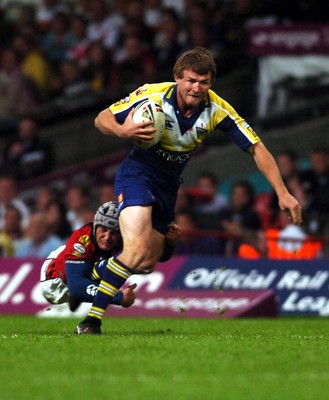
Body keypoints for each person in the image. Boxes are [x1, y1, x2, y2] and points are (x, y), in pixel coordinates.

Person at [79, 46, 301, 334]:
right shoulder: (152, 93)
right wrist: (122, 131)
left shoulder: (218, 110)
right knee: (135, 250)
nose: (197, 88)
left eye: (204, 82)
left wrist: (282, 193)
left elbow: (257, 149)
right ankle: (90, 322)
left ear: (211, 83)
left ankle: (92, 272)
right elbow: (102, 118)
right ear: (177, 78)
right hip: (137, 174)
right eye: (191, 81)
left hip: (169, 186)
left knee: (147, 262)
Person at [40, 201, 180, 325]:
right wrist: (119, 298)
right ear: (96, 227)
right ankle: (83, 291)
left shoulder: (126, 240)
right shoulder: (82, 239)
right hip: (55, 281)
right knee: (117, 263)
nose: (107, 237)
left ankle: (86, 288)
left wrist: (169, 245)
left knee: (138, 263)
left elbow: (152, 260)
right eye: (104, 230)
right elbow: (75, 287)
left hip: (90, 265)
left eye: (114, 233)